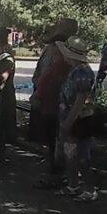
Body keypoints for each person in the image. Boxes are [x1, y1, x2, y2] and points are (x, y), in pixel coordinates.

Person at [55, 36, 100, 201]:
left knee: (81, 155)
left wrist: (69, 121)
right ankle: (73, 184)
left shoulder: (82, 72)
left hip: (79, 119)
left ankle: (89, 189)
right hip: (71, 117)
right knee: (71, 153)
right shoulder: (76, 70)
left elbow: (81, 99)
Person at [31, 46, 73, 189]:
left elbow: (41, 86)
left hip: (51, 110)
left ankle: (54, 176)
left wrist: (36, 97)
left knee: (52, 145)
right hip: (57, 110)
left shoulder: (56, 69)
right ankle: (60, 174)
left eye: (55, 54)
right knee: (56, 144)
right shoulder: (68, 70)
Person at [0, 27, 17, 162]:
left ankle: (0, 154)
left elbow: (2, 78)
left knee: (1, 123)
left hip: (3, 95)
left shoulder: (7, 58)